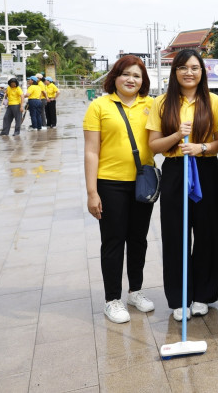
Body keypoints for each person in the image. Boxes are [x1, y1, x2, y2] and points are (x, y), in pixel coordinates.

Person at [147, 49, 218, 321]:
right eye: (183, 68)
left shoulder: (214, 101)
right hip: (175, 170)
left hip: (205, 170)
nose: (189, 73)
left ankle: (203, 294)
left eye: (194, 68)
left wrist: (201, 147)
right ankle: (179, 298)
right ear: (174, 71)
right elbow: (154, 145)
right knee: (175, 234)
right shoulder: (161, 103)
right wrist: (177, 136)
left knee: (207, 233)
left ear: (202, 72)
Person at [83, 55, 157, 324]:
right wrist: (92, 192)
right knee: (113, 241)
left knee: (139, 240)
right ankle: (112, 299)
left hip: (143, 183)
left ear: (143, 80)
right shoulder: (99, 106)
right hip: (110, 183)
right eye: (126, 74)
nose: (131, 79)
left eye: (137, 76)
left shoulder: (151, 105)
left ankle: (135, 291)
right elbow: (91, 151)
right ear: (114, 77)